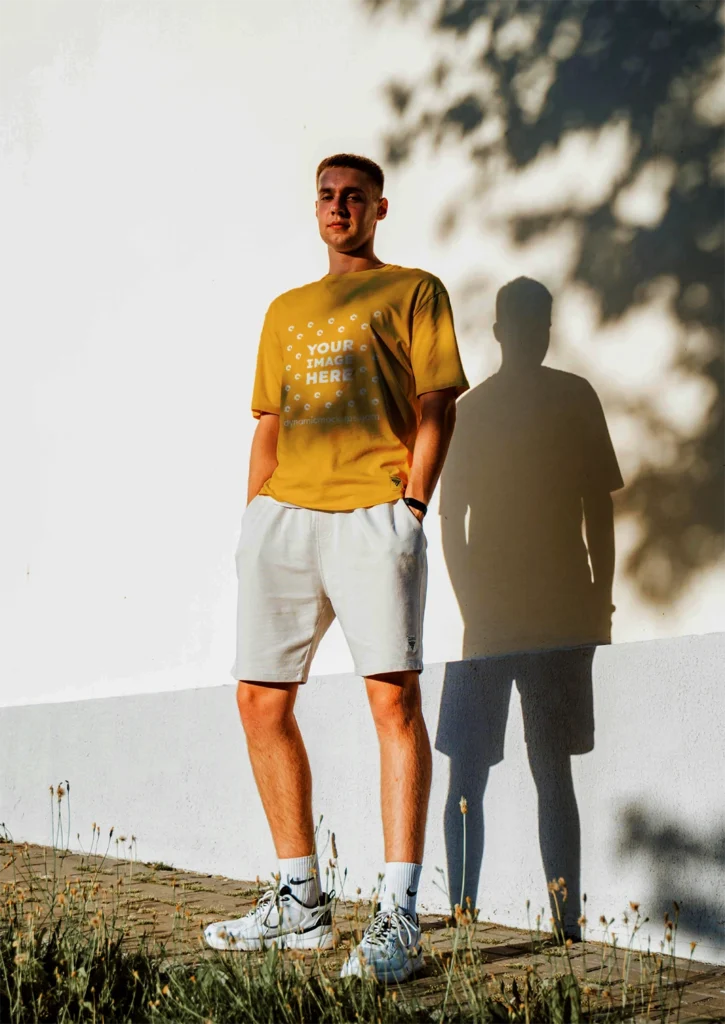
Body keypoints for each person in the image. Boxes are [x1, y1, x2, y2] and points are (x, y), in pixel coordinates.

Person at [204, 153, 468, 982]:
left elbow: (436, 405)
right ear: (315, 207)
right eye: (326, 195)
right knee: (258, 699)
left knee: (392, 701)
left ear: (379, 208)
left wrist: (413, 506)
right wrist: (254, 520)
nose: (338, 207)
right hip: (284, 520)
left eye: (354, 196)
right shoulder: (286, 310)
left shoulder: (414, 291)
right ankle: (300, 902)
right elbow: (270, 420)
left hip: (371, 516)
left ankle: (397, 918)